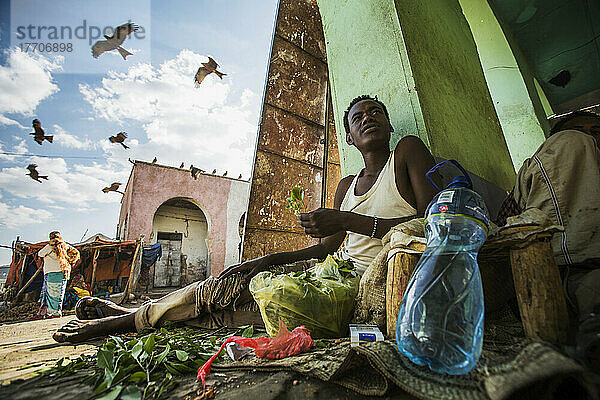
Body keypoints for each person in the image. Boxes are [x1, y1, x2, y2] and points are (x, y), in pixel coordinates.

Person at [53, 95, 440, 342]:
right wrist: (260, 262)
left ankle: (117, 322)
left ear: (389, 125)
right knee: (224, 293)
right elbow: (326, 250)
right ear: (350, 139)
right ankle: (129, 315)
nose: (368, 118)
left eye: (377, 113)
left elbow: (431, 225)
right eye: (358, 117)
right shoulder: (346, 186)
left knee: (225, 313)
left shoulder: (406, 153)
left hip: (360, 295)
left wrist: (345, 221)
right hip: (329, 279)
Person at [496, 110, 600, 371]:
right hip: (552, 270)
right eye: (581, 130)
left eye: (596, 133)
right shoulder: (561, 151)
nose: (590, 139)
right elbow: (504, 228)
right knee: (570, 145)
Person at [37, 231, 80, 318]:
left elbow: (40, 254)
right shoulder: (65, 246)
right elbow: (76, 253)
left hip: (51, 272)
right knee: (59, 293)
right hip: (62, 272)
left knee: (51, 294)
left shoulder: (49, 246)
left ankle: (53, 313)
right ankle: (56, 311)